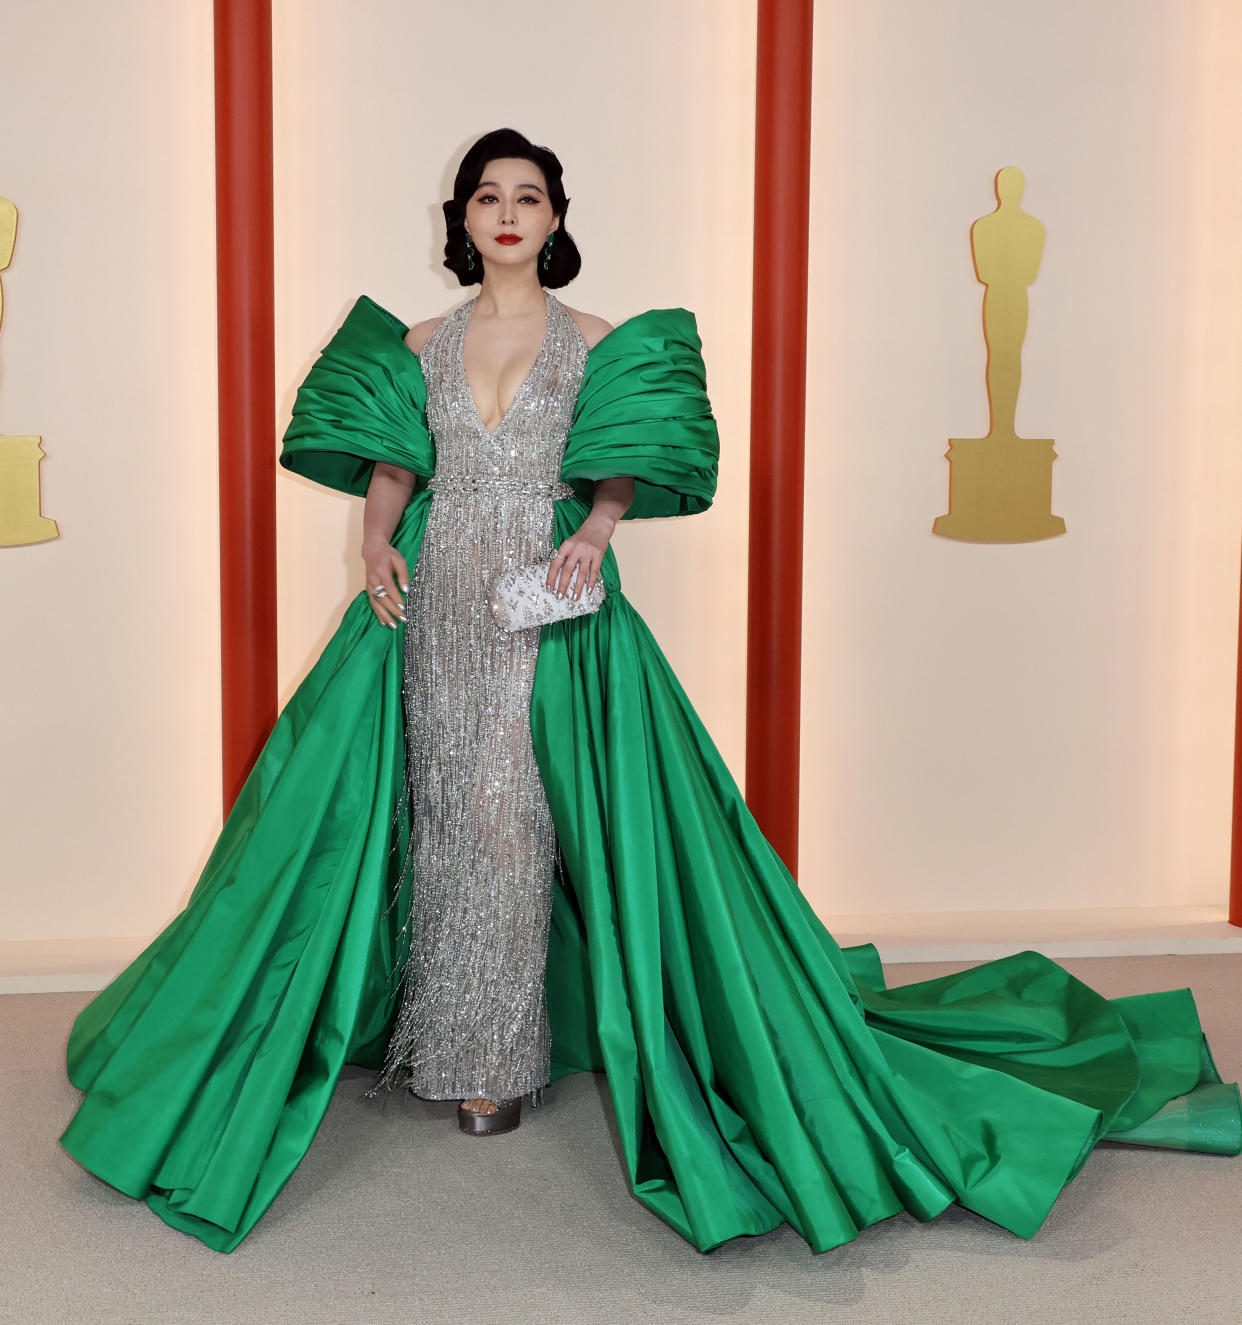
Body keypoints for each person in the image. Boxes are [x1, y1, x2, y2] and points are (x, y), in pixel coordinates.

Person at [60, 129, 1241, 1255]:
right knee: (431, 817)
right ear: (462, 219)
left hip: (553, 610)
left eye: (528, 197)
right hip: (435, 610)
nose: (508, 214)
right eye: (488, 197)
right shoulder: (417, 340)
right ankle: (432, 1032)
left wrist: (602, 528)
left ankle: (495, 1055)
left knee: (515, 825)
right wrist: (374, 543)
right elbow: (394, 466)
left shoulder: (605, 336)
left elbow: (619, 468)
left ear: (557, 217)